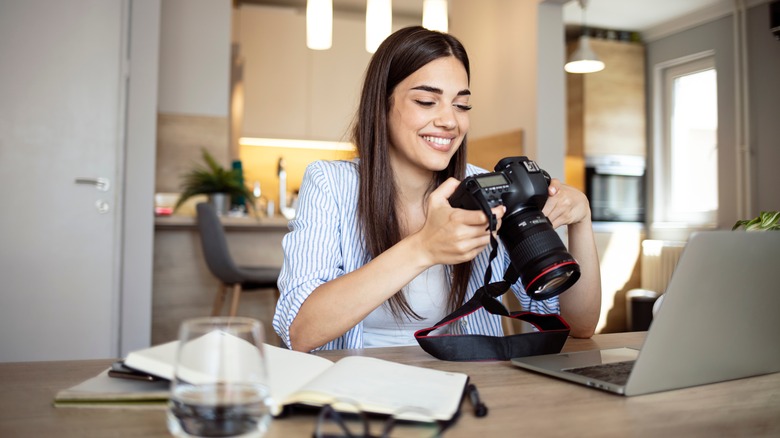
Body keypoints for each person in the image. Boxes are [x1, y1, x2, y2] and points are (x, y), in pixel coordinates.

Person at [273, 26, 601, 353]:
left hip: (467, 384)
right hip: (360, 386)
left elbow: (580, 326)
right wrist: (423, 248)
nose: (450, 121)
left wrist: (582, 219)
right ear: (382, 105)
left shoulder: (489, 189)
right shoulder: (331, 183)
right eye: (427, 101)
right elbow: (299, 331)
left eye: (461, 105)